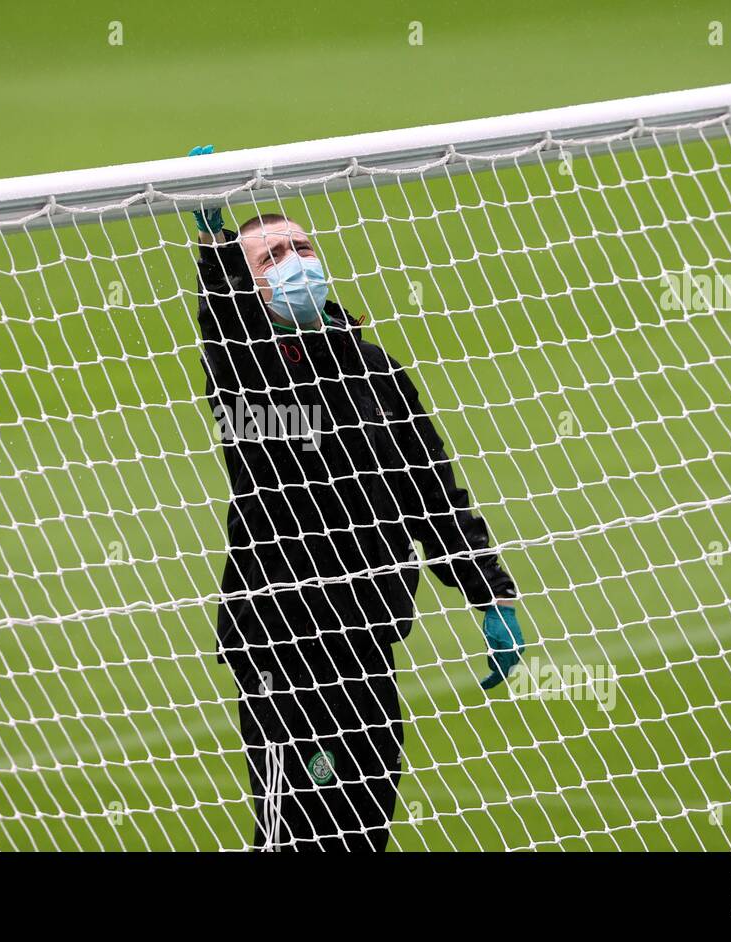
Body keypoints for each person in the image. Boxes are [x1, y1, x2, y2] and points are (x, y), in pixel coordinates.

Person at [188, 146, 526, 851]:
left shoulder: (375, 369)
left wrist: (489, 593)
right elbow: (229, 333)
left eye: (302, 247)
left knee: (366, 822)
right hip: (281, 638)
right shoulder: (244, 379)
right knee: (295, 835)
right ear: (248, 287)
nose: (295, 262)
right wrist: (217, 252)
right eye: (272, 256)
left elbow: (431, 488)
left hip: (368, 632)